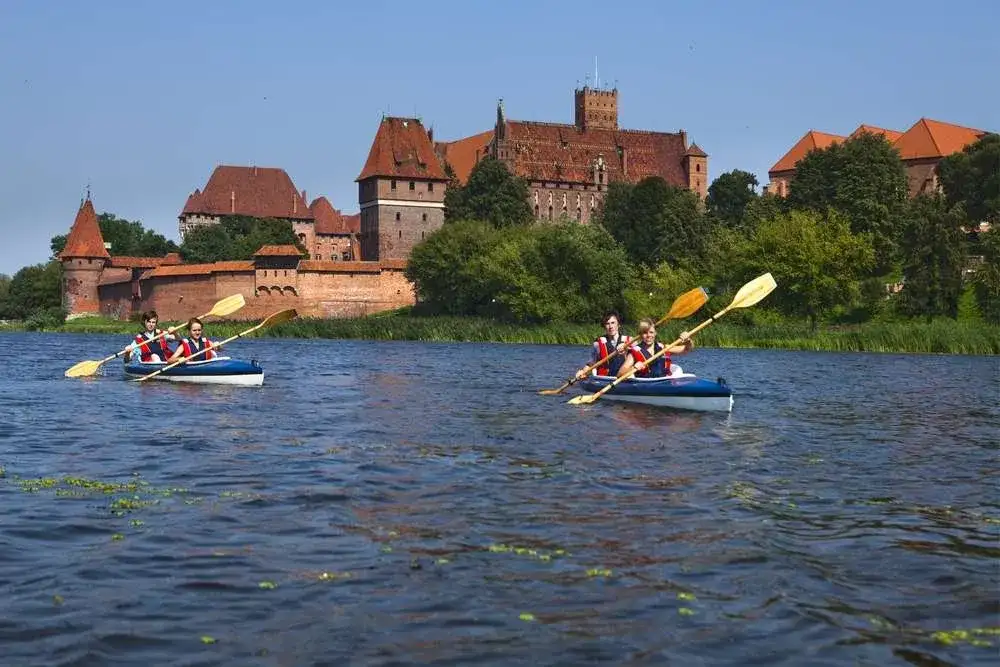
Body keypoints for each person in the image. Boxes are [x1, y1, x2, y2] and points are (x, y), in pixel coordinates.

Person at [617, 318, 693, 379]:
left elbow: (686, 349)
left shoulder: (663, 347)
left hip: (666, 382)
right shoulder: (634, 352)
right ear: (640, 335)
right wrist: (634, 367)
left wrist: (688, 340)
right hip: (647, 385)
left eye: (651, 332)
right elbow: (620, 373)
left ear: (655, 333)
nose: (648, 335)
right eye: (645, 333)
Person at [575, 311, 632, 380]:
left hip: (624, 378)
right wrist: (583, 371)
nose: (610, 326)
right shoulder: (597, 344)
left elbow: (640, 357)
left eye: (613, 323)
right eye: (607, 324)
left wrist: (627, 349)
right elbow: (591, 363)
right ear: (604, 326)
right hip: (605, 379)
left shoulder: (630, 341)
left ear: (618, 324)